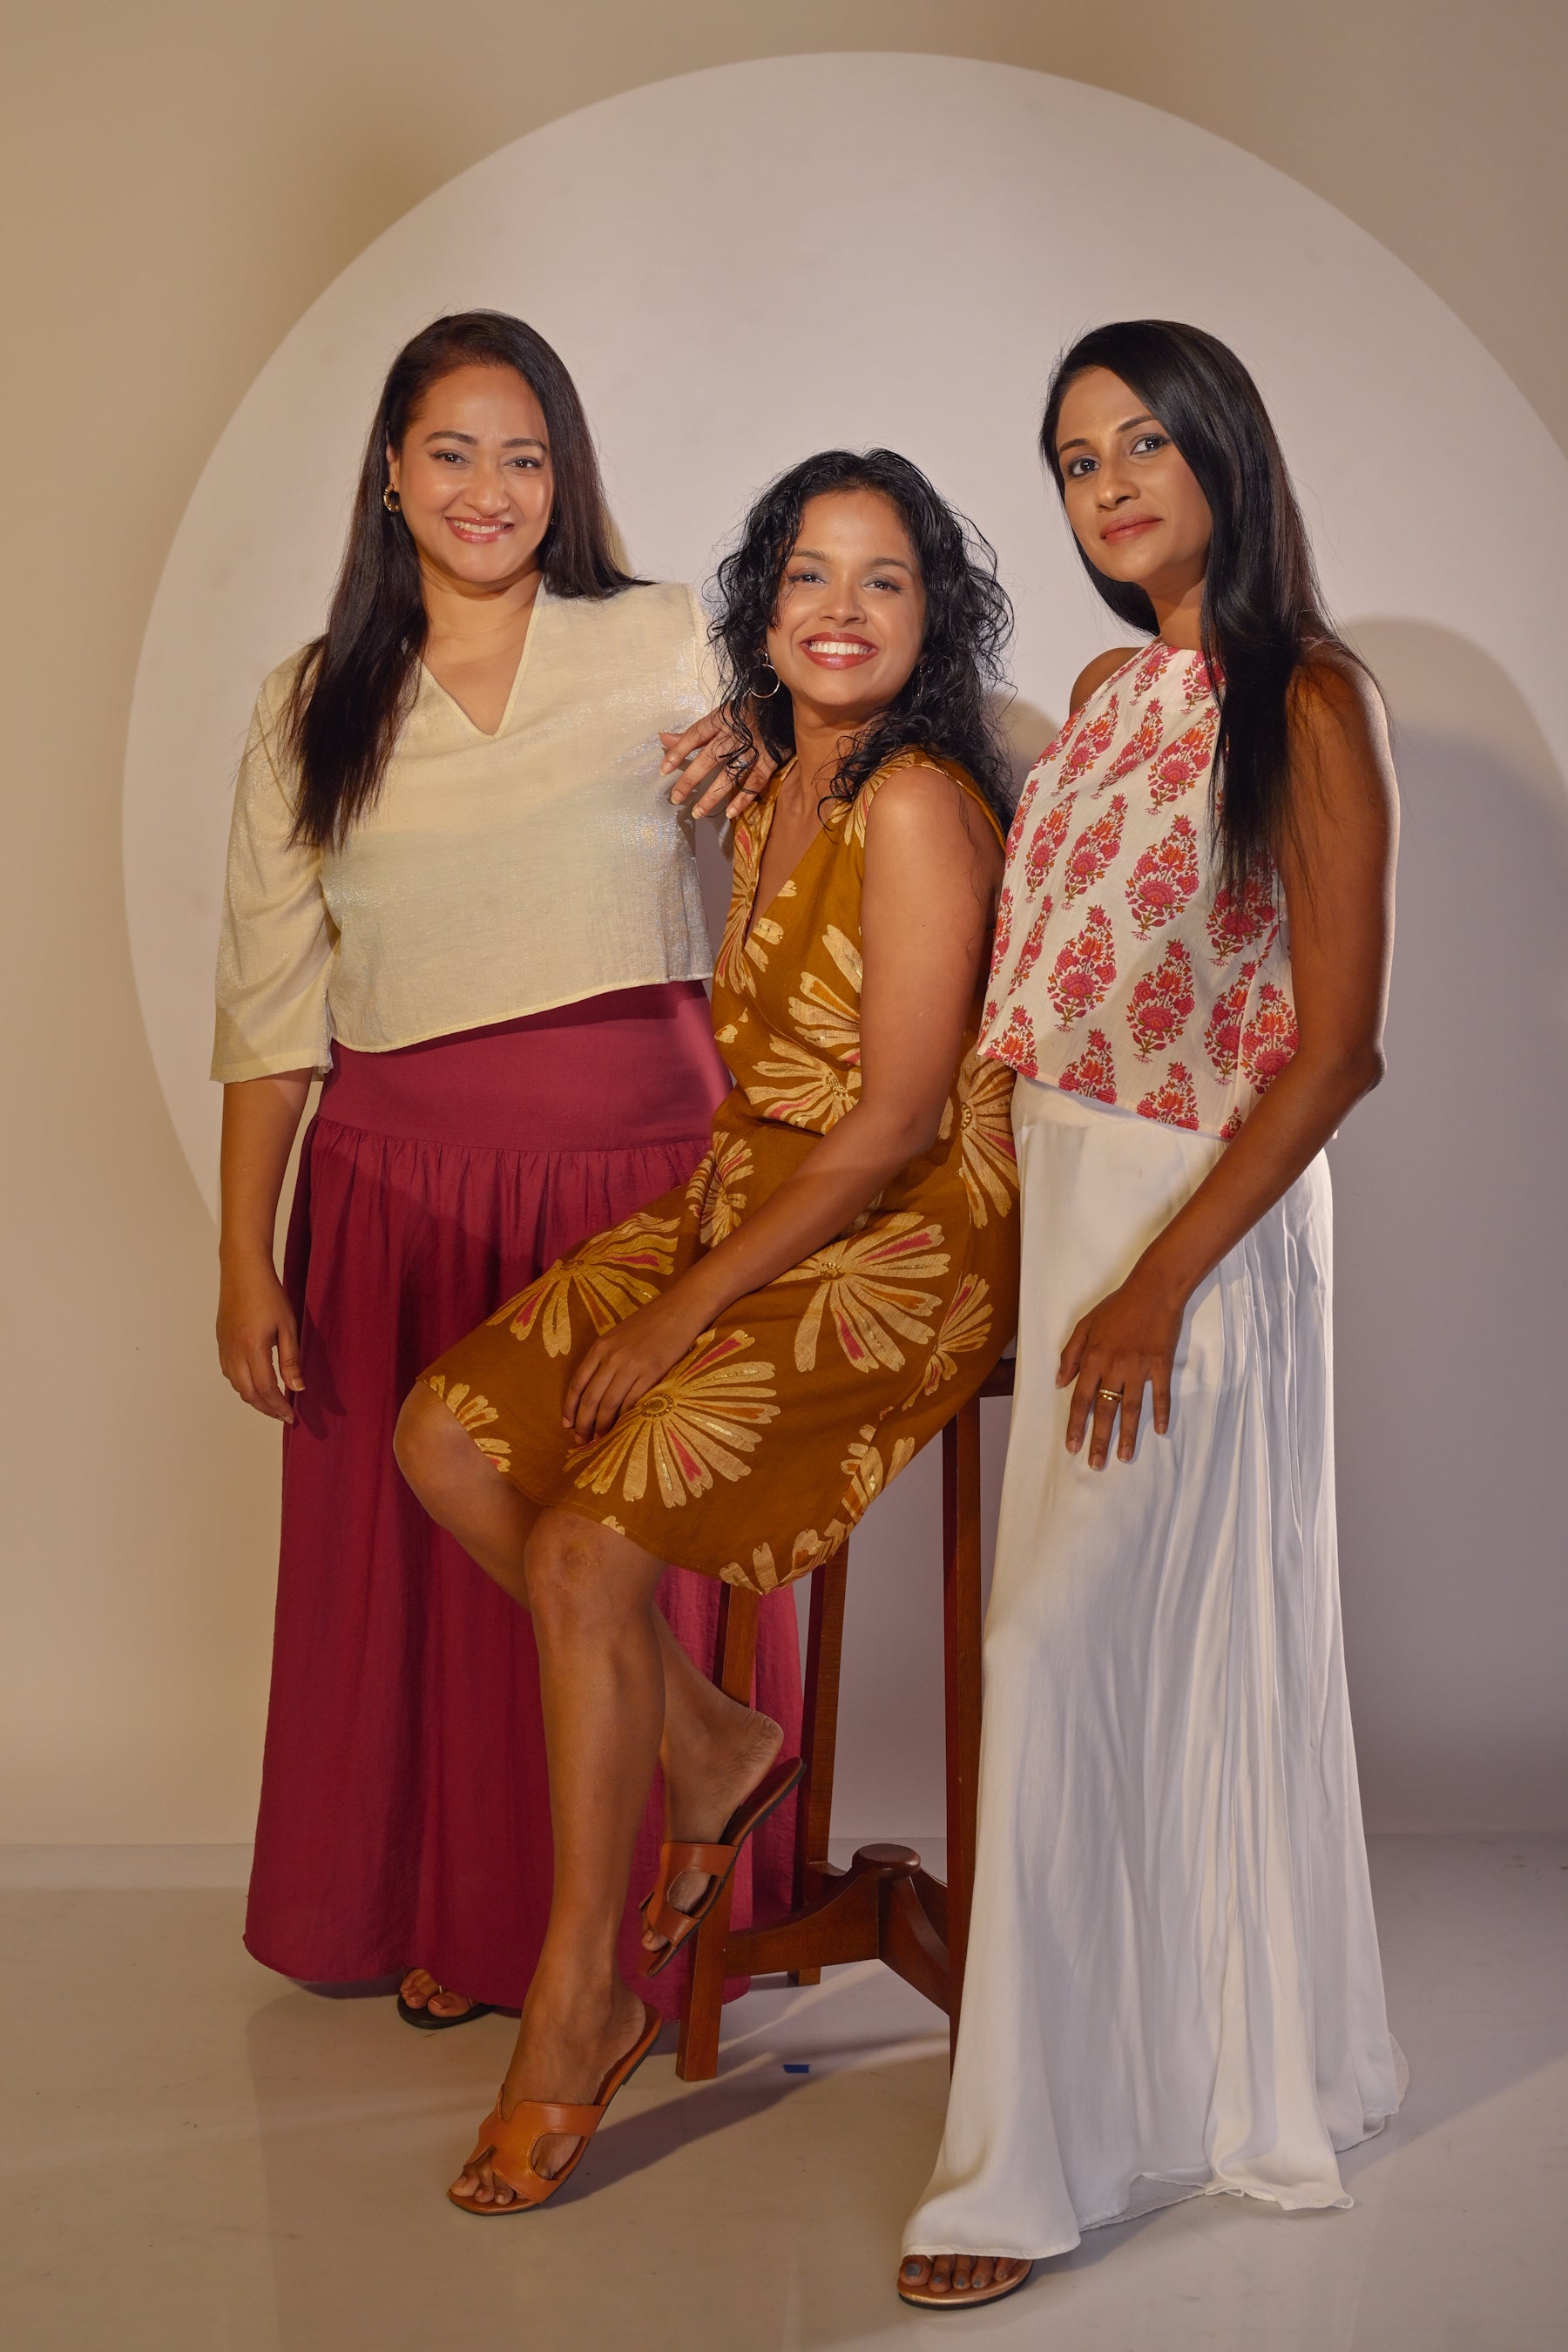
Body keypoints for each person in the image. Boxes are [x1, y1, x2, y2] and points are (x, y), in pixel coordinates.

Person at [395, 447, 1023, 2213]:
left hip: (904, 1233)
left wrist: (684, 1307)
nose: (842, 609)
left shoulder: (917, 802)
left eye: (886, 579)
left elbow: (896, 1122)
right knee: (446, 1436)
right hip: (753, 1192)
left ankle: (580, 1998)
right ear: (761, 605)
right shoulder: (764, 780)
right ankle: (714, 1739)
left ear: (936, 616)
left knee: (585, 1547)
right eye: (809, 574)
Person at [213, 309, 801, 2034]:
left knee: (611, 1534)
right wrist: (242, 1256)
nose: (490, 488)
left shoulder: (669, 638)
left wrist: (771, 749)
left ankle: (638, 1924)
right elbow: (269, 1007)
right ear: (391, 475)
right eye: (454, 452)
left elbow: (820, 809)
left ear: (566, 478)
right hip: (395, 1189)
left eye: (525, 456)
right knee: (446, 1574)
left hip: (642, 1170)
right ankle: (473, 1907)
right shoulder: (309, 702)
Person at [898, 321, 1403, 2312]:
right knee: (1116, 1661)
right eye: (1074, 459)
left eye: (1141, 445)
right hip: (1073, 1220)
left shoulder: (1315, 701)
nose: (1106, 487)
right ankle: (1159, 2083)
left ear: (1222, 457)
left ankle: (1015, 2177)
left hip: (1200, 1232)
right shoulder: (1109, 697)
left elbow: (1340, 1046)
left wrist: (1158, 1283)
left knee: (1045, 1649)